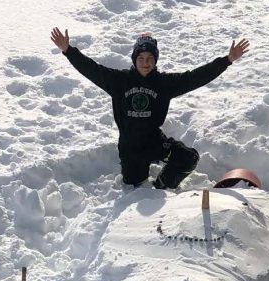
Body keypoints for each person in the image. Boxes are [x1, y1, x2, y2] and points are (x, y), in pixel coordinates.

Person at [49, 27, 250, 189]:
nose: (145, 63)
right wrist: (69, 51)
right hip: (130, 148)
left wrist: (227, 61)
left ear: (155, 61)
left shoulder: (164, 83)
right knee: (134, 188)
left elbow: (195, 78)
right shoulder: (118, 81)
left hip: (154, 142)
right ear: (135, 59)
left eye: (150, 59)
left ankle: (161, 187)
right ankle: (141, 184)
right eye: (141, 58)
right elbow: (91, 68)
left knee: (189, 158)